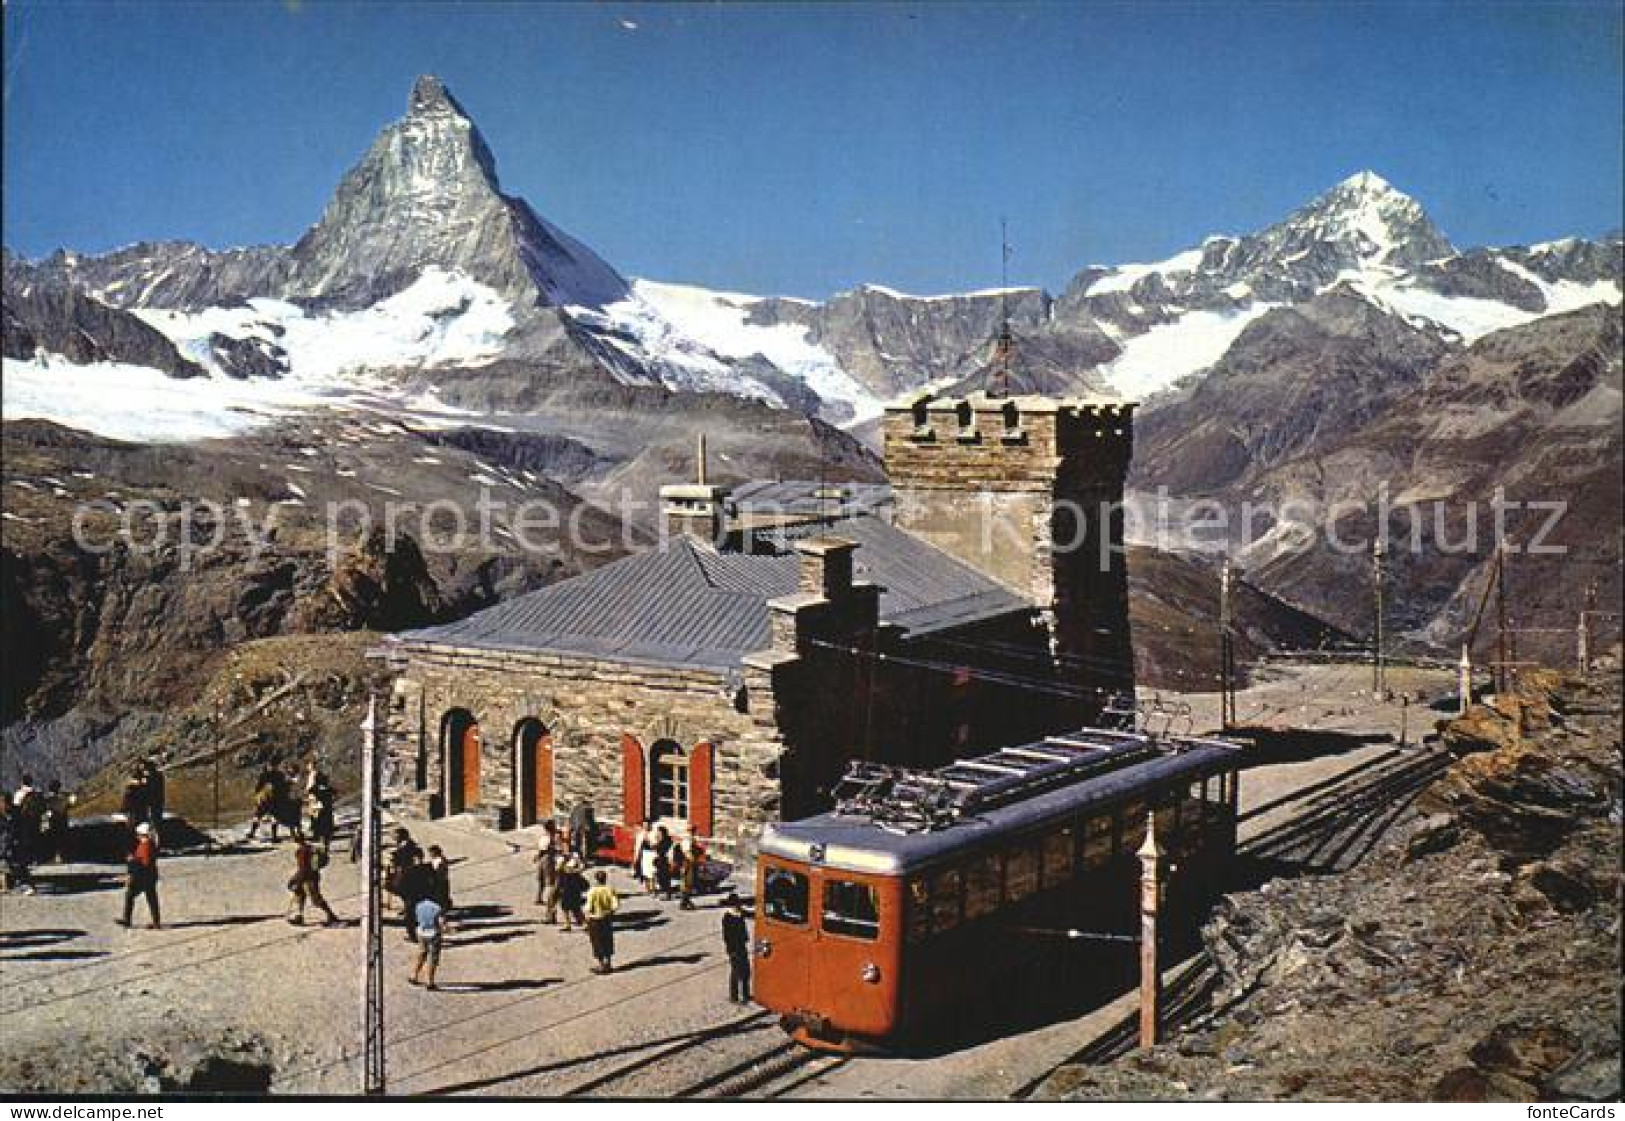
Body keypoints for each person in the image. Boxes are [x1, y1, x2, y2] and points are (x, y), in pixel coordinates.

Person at [286, 835, 340, 925]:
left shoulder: (301, 852)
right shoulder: (311, 849)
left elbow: (303, 868)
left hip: (308, 878)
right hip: (311, 876)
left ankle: (331, 915)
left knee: (315, 899)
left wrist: (295, 879)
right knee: (300, 895)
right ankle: (299, 916)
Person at [117, 822, 161, 929]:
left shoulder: (145, 846)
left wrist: (133, 860)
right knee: (152, 898)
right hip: (151, 875)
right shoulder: (151, 844)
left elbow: (144, 863)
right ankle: (156, 922)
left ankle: (127, 920)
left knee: (130, 895)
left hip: (142, 876)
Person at [584, 869, 619, 973]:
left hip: (594, 919)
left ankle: (601, 965)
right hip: (606, 918)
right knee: (607, 940)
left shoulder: (592, 891)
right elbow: (615, 905)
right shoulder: (610, 889)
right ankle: (608, 963)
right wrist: (610, 912)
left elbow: (589, 907)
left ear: (596, 879)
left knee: (597, 942)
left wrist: (587, 916)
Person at [410, 893, 446, 991]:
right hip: (433, 934)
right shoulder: (437, 908)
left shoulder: (418, 905)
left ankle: (414, 975)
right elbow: (441, 923)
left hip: (421, 932)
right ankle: (429, 981)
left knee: (422, 953)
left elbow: (417, 919)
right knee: (433, 958)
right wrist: (447, 929)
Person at [722, 893, 752, 1003]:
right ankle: (734, 996)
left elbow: (751, 914)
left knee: (746, 971)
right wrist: (731, 951)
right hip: (734, 949)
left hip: (742, 946)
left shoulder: (739, 913)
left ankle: (745, 994)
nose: (739, 905)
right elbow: (727, 937)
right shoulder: (728, 917)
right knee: (736, 972)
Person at [246, 763, 285, 841]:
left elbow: (257, 787)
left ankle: (252, 833)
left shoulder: (264, 775)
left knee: (258, 815)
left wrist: (258, 796)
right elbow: (282, 788)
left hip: (264, 799)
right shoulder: (280, 775)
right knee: (274, 817)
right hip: (275, 799)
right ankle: (274, 836)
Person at [534, 822, 561, 923]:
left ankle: (550, 911)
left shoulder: (554, 837)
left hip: (547, 858)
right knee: (541, 878)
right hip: (544, 857)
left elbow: (545, 849)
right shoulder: (546, 837)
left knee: (550, 882)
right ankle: (539, 897)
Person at [307, 771, 337, 856]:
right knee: (326, 832)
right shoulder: (329, 790)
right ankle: (325, 847)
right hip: (326, 812)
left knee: (320, 832)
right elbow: (335, 795)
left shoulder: (314, 789)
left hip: (319, 813)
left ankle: (323, 847)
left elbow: (310, 795)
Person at [43, 781, 72, 863]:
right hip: (62, 821)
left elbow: (46, 810)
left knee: (53, 839)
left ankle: (54, 856)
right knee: (62, 839)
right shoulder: (63, 797)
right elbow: (68, 805)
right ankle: (62, 856)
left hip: (52, 822)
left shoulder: (47, 798)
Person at [558, 856, 588, 933]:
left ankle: (568, 924)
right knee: (576, 909)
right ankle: (584, 924)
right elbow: (585, 886)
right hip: (575, 894)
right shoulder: (577, 876)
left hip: (567, 894)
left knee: (567, 910)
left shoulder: (563, 875)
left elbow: (560, 884)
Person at [426, 844, 453, 913]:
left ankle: (444, 908)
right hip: (441, 880)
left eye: (431, 853)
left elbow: (439, 872)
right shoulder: (437, 859)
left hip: (441, 881)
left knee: (441, 895)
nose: (430, 854)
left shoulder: (440, 860)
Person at [141, 757, 166, 831]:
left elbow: (149, 791)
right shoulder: (158, 775)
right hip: (158, 802)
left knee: (153, 822)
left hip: (153, 803)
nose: (144, 771)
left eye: (145, 769)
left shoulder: (151, 777)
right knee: (156, 822)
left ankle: (155, 838)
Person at [676, 834, 699, 910]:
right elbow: (688, 854)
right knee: (687, 884)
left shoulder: (687, 842)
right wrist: (693, 860)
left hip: (687, 864)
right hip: (687, 864)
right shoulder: (686, 843)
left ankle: (686, 902)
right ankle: (684, 903)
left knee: (687, 884)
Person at [652, 825, 674, 901]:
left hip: (665, 862)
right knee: (660, 877)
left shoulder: (667, 841)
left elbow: (664, 850)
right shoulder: (660, 840)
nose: (658, 834)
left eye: (659, 833)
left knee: (665, 878)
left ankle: (667, 894)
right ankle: (663, 892)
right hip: (660, 862)